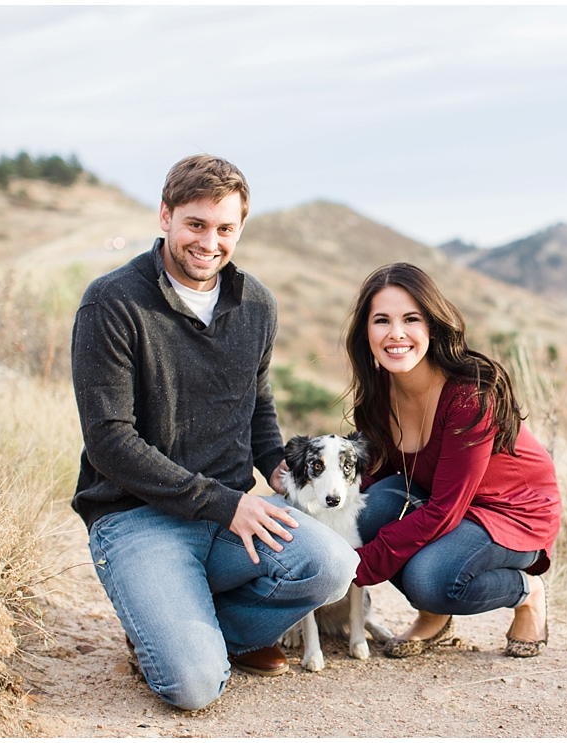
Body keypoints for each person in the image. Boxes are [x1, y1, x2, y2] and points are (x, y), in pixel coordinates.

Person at [70, 154, 358, 710]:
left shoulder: (257, 305)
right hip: (136, 519)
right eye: (196, 224)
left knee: (333, 565)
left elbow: (258, 404)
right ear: (165, 216)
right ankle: (173, 631)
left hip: (229, 519)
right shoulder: (112, 303)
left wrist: (274, 460)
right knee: (194, 687)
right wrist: (224, 504)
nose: (209, 242)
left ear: (240, 230)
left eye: (225, 228)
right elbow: (109, 440)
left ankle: (202, 624)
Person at [346, 262, 561, 658]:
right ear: (366, 331)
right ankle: (435, 617)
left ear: (433, 325)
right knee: (360, 515)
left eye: (411, 319)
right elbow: (377, 480)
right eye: (381, 321)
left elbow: (445, 508)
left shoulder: (469, 395)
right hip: (441, 502)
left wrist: (350, 569)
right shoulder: (379, 389)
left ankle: (525, 592)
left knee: (431, 579)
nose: (396, 334)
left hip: (510, 513)